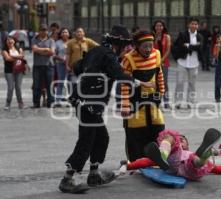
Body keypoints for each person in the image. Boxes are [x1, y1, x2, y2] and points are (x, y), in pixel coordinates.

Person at [58, 25, 155, 194]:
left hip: (87, 103)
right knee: (86, 141)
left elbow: (77, 67)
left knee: (101, 138)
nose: (126, 49)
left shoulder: (97, 51)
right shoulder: (108, 55)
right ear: (117, 43)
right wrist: (143, 83)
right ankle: (67, 179)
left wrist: (93, 71)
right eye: (125, 45)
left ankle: (94, 175)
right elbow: (119, 75)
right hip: (88, 104)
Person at [121, 129, 221, 179]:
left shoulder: (188, 152)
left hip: (191, 166)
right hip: (175, 164)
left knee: (196, 161)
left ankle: (205, 153)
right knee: (169, 138)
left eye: (183, 140)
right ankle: (205, 153)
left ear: (187, 145)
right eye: (179, 139)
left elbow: (218, 169)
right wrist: (128, 166)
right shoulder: (174, 151)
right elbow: (146, 161)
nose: (180, 140)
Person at [121, 30, 165, 162]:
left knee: (158, 128)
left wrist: (161, 92)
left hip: (152, 100)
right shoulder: (129, 59)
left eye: (150, 46)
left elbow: (159, 74)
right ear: (136, 46)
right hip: (135, 101)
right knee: (136, 131)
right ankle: (136, 161)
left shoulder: (156, 54)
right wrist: (125, 105)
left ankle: (157, 158)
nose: (148, 49)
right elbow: (125, 84)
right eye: (145, 46)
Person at [173, 17, 203, 109]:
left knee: (192, 83)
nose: (194, 25)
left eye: (195, 24)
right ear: (188, 25)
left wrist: (188, 45)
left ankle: (190, 102)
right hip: (182, 61)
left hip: (194, 62)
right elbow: (178, 45)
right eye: (192, 23)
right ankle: (177, 102)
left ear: (198, 26)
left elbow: (200, 48)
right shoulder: (182, 34)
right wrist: (193, 46)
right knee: (180, 82)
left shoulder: (200, 36)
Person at [31, 24, 56, 108]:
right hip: (37, 66)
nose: (43, 31)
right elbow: (34, 49)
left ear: (47, 31)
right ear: (39, 30)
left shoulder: (51, 40)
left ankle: (51, 102)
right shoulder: (34, 39)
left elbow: (52, 52)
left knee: (50, 85)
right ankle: (36, 103)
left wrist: (40, 51)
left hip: (49, 65)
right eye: (42, 30)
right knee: (36, 85)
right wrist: (46, 49)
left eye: (45, 30)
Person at [1, 36, 26, 110]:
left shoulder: (19, 48)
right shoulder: (4, 50)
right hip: (9, 71)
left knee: (18, 87)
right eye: (8, 40)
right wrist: (18, 56)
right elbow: (8, 58)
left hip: (19, 70)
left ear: (14, 41)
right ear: (6, 42)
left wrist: (13, 56)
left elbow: (22, 56)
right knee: (11, 88)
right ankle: (8, 103)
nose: (10, 41)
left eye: (11, 40)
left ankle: (20, 103)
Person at [152, 19, 172, 109]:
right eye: (157, 25)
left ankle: (166, 101)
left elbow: (168, 50)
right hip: (153, 62)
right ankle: (156, 101)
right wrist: (156, 61)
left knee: (164, 82)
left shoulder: (167, 37)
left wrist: (161, 60)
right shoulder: (152, 36)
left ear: (163, 27)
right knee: (154, 82)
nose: (159, 27)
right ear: (154, 27)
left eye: (160, 25)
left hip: (164, 63)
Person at [53, 28, 72, 106]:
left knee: (70, 82)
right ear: (60, 34)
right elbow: (54, 54)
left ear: (69, 34)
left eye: (66, 32)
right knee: (60, 82)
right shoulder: (57, 43)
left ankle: (71, 100)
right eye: (63, 32)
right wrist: (60, 58)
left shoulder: (72, 42)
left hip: (70, 64)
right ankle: (58, 100)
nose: (64, 33)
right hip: (60, 64)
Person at [212, 33, 221, 103]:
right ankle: (217, 97)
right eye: (217, 39)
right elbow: (215, 56)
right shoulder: (215, 46)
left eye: (220, 38)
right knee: (218, 81)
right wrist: (218, 48)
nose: (218, 40)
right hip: (219, 64)